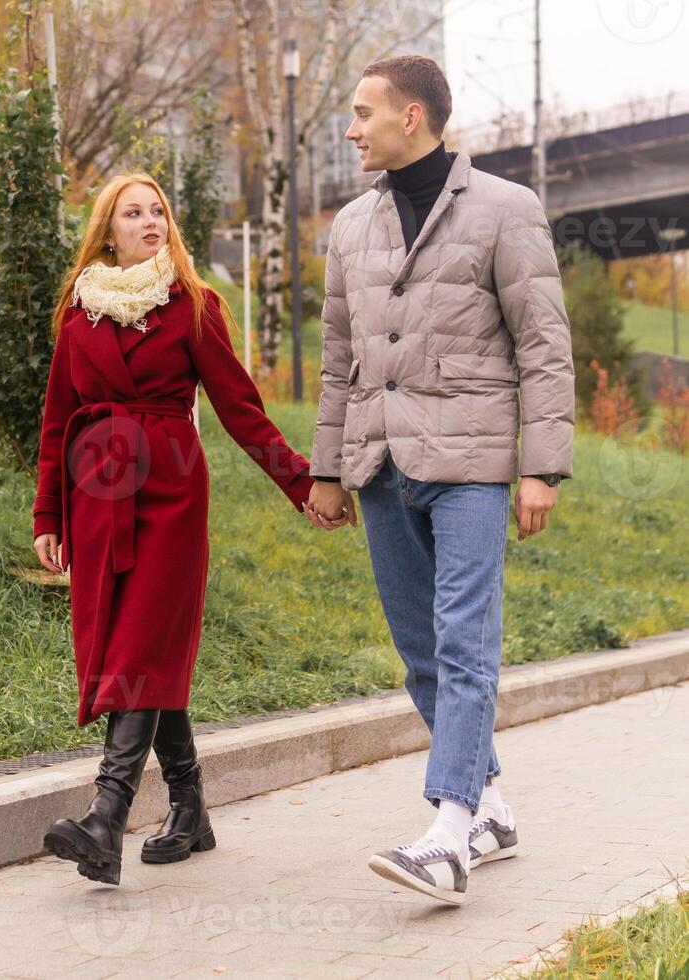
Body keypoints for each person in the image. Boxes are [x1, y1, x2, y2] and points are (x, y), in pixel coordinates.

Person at [304, 55, 575, 905]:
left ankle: (448, 832)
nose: (351, 129)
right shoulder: (350, 225)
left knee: (465, 641)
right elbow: (340, 360)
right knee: (420, 651)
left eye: (361, 113)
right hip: (381, 464)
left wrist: (541, 466)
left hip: (471, 463)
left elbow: (543, 344)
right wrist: (325, 468)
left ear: (411, 117)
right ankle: (491, 805)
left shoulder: (506, 208)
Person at [32, 172, 319, 885]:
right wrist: (47, 513)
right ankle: (189, 806)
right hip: (98, 495)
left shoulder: (193, 306)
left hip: (168, 493)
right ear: (108, 232)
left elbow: (240, 408)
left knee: (142, 642)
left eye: (158, 211)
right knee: (144, 650)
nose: (151, 221)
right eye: (134, 213)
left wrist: (303, 481)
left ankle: (106, 813)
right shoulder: (79, 313)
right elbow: (56, 419)